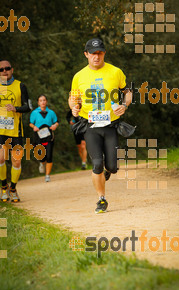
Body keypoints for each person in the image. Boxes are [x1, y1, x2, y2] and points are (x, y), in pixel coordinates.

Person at [68, 38, 132, 213]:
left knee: (112, 166)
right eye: (93, 53)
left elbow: (128, 92)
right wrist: (74, 108)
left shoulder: (115, 72)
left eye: (100, 53)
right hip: (90, 126)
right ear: (86, 54)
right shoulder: (79, 76)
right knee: (97, 163)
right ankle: (101, 199)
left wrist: (124, 106)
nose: (97, 56)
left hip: (110, 125)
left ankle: (107, 172)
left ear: (104, 53)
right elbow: (73, 99)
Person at [0, 60, 31, 202]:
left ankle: (13, 188)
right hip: (1, 131)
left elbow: (28, 107)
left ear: (12, 70)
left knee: (16, 162)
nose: (4, 71)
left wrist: (16, 109)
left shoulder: (20, 86)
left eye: (7, 68)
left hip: (16, 131)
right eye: (1, 69)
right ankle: (3, 187)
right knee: (0, 158)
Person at [29, 95, 59, 182]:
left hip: (49, 137)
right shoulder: (34, 113)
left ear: (46, 101)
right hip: (38, 137)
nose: (43, 102)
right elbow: (30, 123)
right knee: (41, 156)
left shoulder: (51, 113)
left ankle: (47, 175)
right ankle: (42, 163)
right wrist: (34, 127)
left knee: (49, 156)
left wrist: (55, 125)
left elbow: (56, 122)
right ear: (38, 102)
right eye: (41, 100)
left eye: (44, 100)